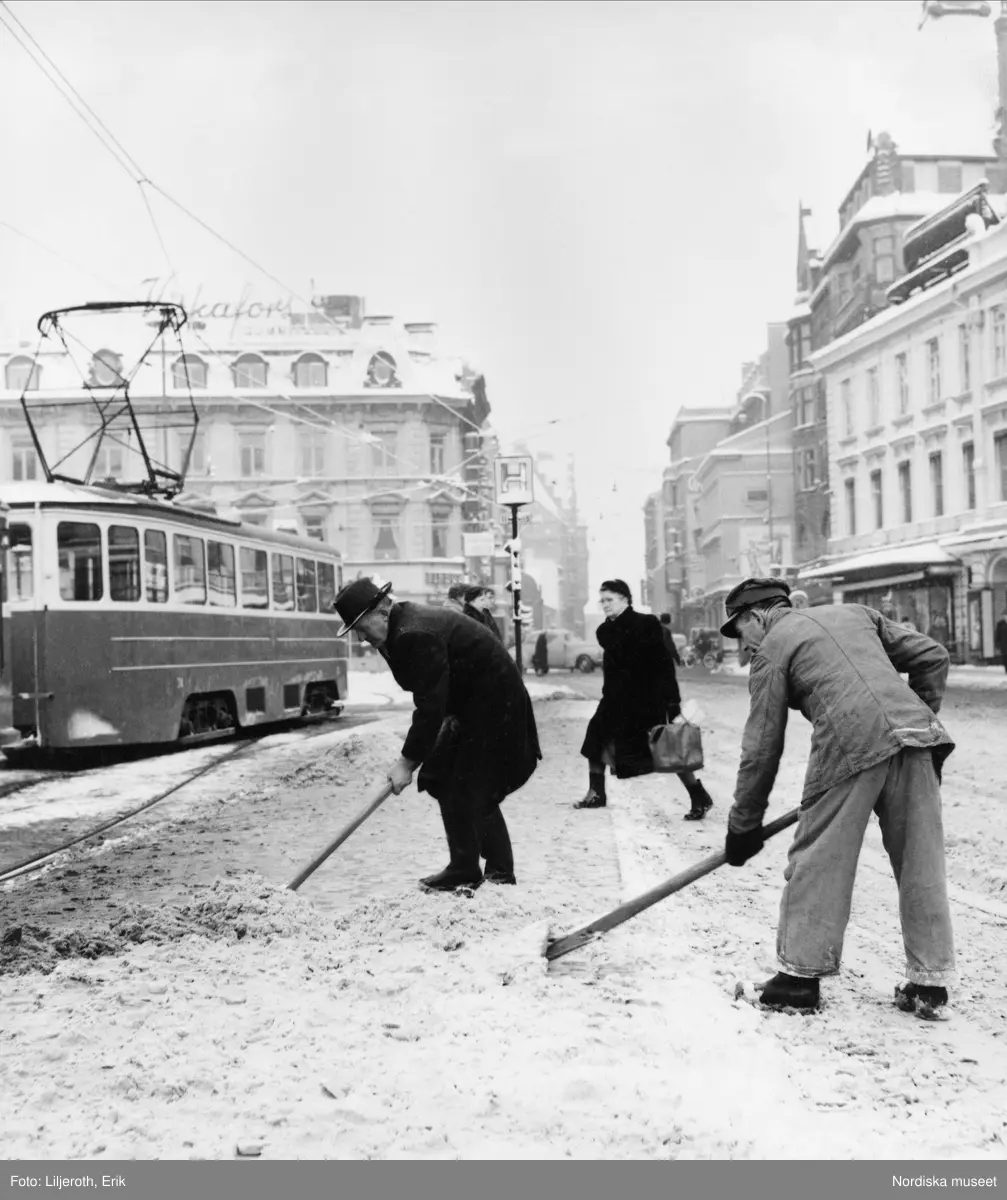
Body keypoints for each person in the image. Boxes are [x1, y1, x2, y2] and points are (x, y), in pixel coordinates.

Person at [719, 577, 956, 1017]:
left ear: (757, 616)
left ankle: (797, 981)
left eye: (740, 632)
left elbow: (761, 747)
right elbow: (932, 655)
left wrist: (743, 824)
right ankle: (930, 985)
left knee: (819, 857)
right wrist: (915, 715)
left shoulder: (772, 649)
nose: (744, 644)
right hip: (917, 737)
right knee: (920, 859)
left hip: (850, 745)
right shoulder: (854, 613)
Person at [333, 578, 541, 892]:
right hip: (469, 707)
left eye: (360, 627)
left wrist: (406, 762)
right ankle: (463, 867)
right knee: (442, 776)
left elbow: (430, 704)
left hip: (496, 707)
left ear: (382, 612)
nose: (361, 638)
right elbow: (434, 698)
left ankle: (500, 873)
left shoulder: (413, 633)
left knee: (474, 784)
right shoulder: (401, 627)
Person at [575, 579, 715, 820]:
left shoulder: (646, 624)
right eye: (602, 600)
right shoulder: (606, 630)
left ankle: (698, 795)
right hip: (615, 701)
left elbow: (662, 664)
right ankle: (596, 792)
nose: (605, 605)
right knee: (594, 739)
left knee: (667, 749)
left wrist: (672, 702)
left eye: (609, 600)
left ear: (625, 599)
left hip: (646, 702)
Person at [996, 605, 1007, 675]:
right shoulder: (1000, 624)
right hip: (1004, 645)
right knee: (1005, 659)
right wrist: (997, 644)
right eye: (1005, 615)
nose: (1005, 616)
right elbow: (997, 635)